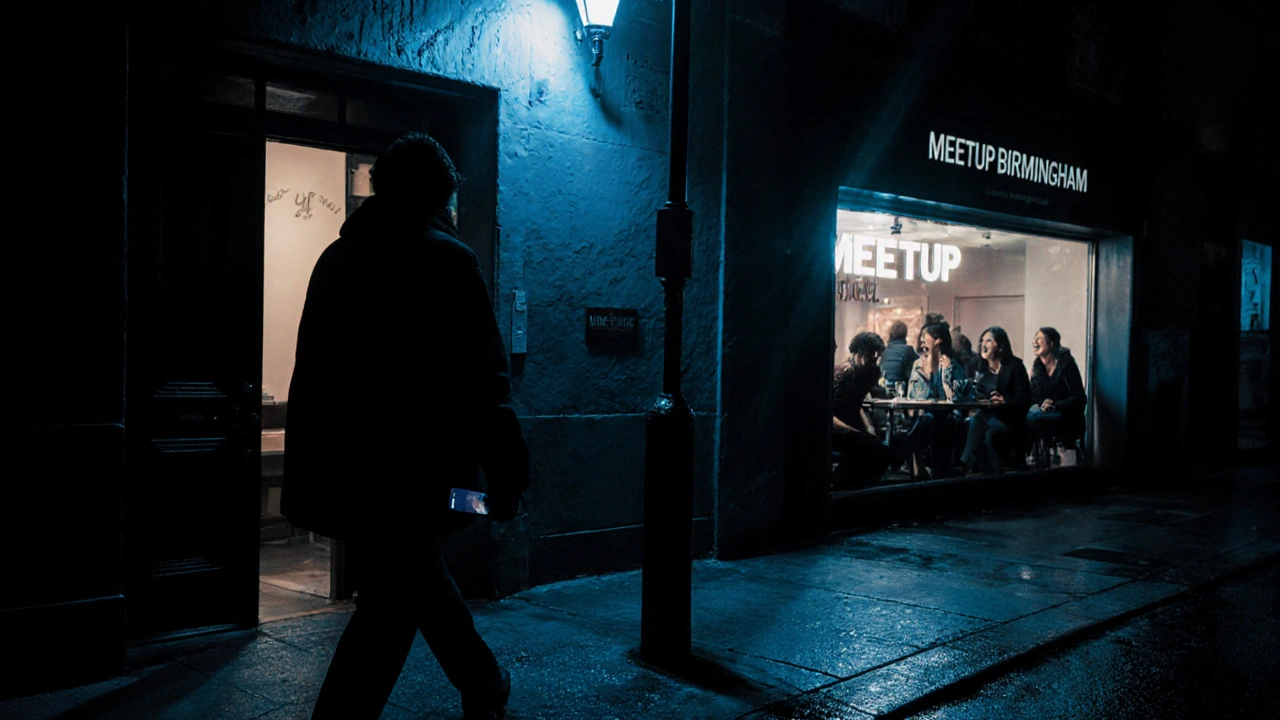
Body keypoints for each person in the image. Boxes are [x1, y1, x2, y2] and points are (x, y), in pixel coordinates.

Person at [281, 132, 530, 720]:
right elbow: (483, 381)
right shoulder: (446, 259)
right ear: (439, 196)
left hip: (346, 474)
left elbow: (314, 375)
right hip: (423, 477)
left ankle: (483, 679)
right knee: (397, 596)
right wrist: (508, 475)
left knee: (409, 581)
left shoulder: (337, 259)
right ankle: (477, 682)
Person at [961, 326, 1032, 474]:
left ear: (1000, 346)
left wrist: (1005, 401)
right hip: (988, 416)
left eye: (988, 340)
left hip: (1010, 420)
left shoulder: (1015, 367)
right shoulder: (979, 369)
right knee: (975, 421)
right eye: (981, 341)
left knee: (980, 423)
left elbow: (1025, 400)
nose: (983, 344)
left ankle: (967, 465)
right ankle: (978, 469)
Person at [902, 321, 964, 480]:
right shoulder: (918, 364)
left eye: (925, 336)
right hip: (922, 413)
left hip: (947, 414)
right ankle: (917, 461)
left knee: (935, 421)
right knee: (927, 419)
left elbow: (955, 397)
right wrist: (925, 375)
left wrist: (945, 373)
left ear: (938, 340)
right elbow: (914, 396)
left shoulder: (953, 365)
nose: (922, 340)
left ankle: (903, 453)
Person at [832, 332, 890, 489]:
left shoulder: (868, 373)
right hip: (836, 428)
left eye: (876, 356)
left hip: (850, 425)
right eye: (871, 355)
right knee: (874, 448)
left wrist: (868, 428)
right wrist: (853, 432)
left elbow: (858, 405)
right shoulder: (842, 374)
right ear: (858, 353)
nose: (874, 360)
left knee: (876, 447)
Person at [1027, 327, 1087, 466]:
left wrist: (1055, 404)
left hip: (1066, 416)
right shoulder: (1037, 368)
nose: (1034, 342)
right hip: (1044, 414)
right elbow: (1033, 396)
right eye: (1034, 339)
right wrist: (1042, 404)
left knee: (1034, 420)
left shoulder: (1067, 366)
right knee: (1029, 418)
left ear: (1051, 344)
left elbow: (1079, 397)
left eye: (1039, 338)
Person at [879, 320, 918, 388]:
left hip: (884, 387)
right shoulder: (908, 350)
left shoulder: (886, 351)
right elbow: (920, 365)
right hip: (901, 387)